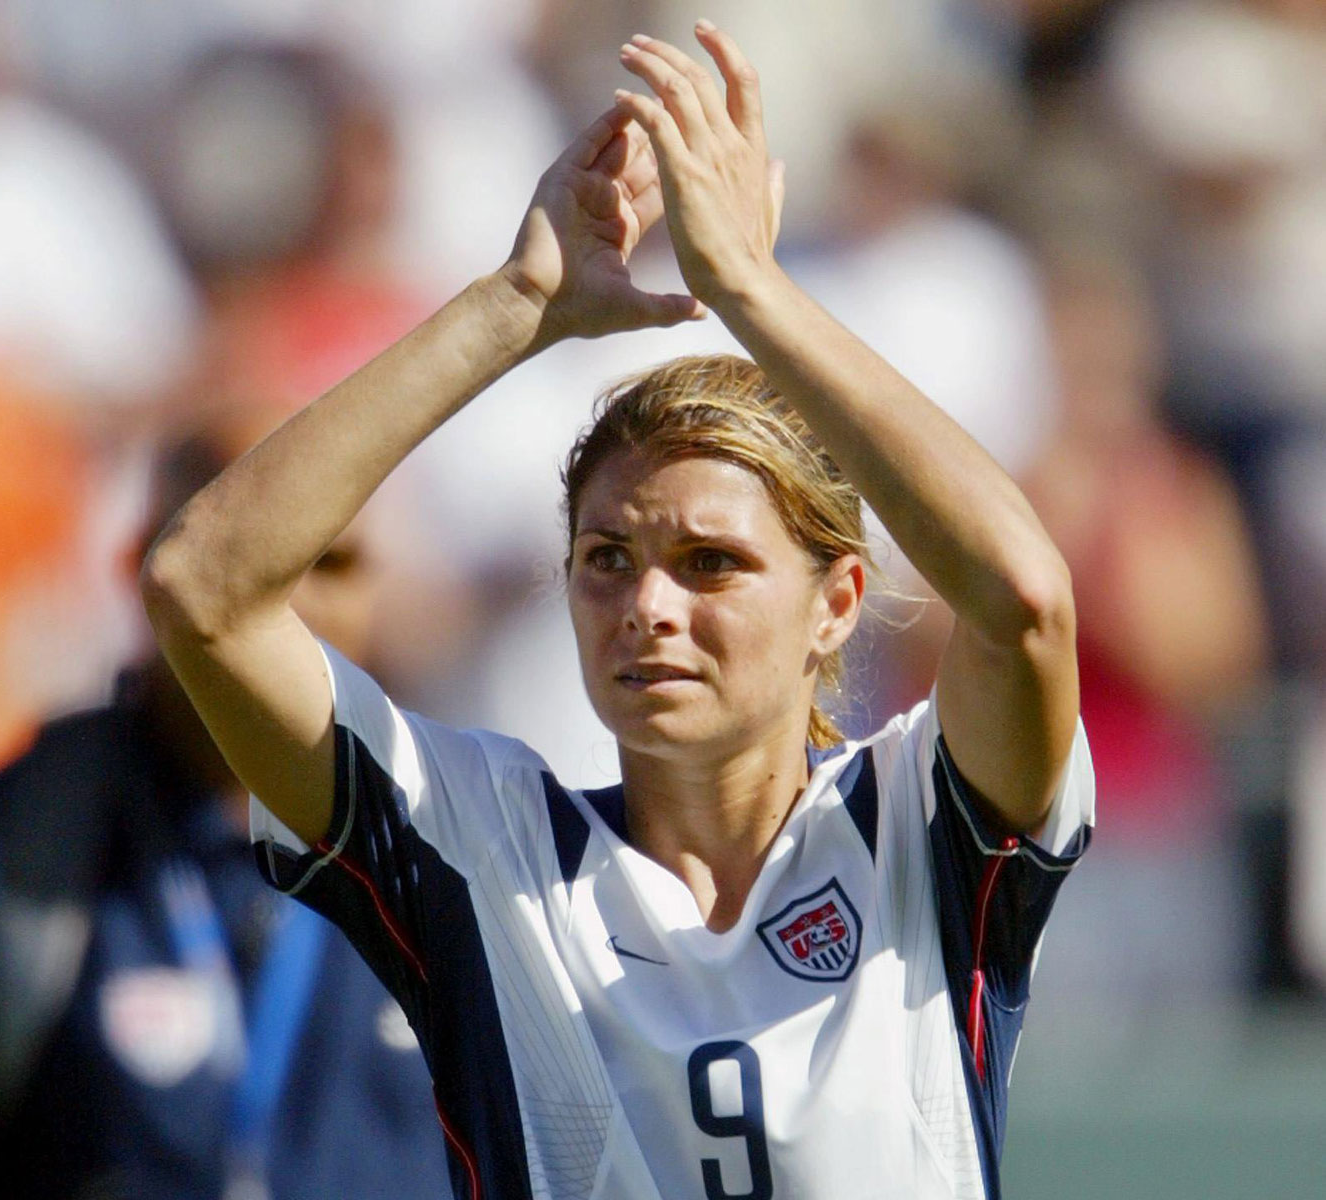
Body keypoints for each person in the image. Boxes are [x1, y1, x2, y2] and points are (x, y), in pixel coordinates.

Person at [142, 23, 1092, 1200]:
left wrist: (749, 291)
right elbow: (207, 587)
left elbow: (1024, 602)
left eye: (709, 563)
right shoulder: (479, 847)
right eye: (605, 557)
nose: (645, 603)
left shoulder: (920, 833)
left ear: (838, 602)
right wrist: (515, 302)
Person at [0, 412, 452, 1199]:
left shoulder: (470, 841)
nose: (291, 602)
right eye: (252, 557)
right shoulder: (29, 829)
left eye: (330, 561)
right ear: (140, 567)